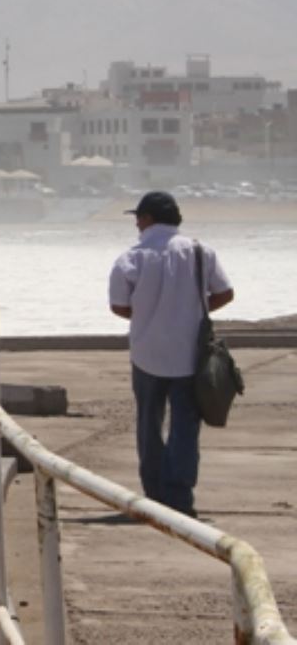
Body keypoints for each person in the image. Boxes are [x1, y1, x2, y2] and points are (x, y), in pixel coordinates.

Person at [108, 190, 233, 516]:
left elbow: (118, 305)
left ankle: (153, 494)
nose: (136, 224)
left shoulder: (131, 258)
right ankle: (179, 497)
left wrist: (150, 315)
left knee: (148, 424)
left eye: (138, 218)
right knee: (185, 427)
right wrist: (194, 311)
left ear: (148, 219)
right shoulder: (200, 252)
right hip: (190, 354)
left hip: (146, 352)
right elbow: (225, 293)